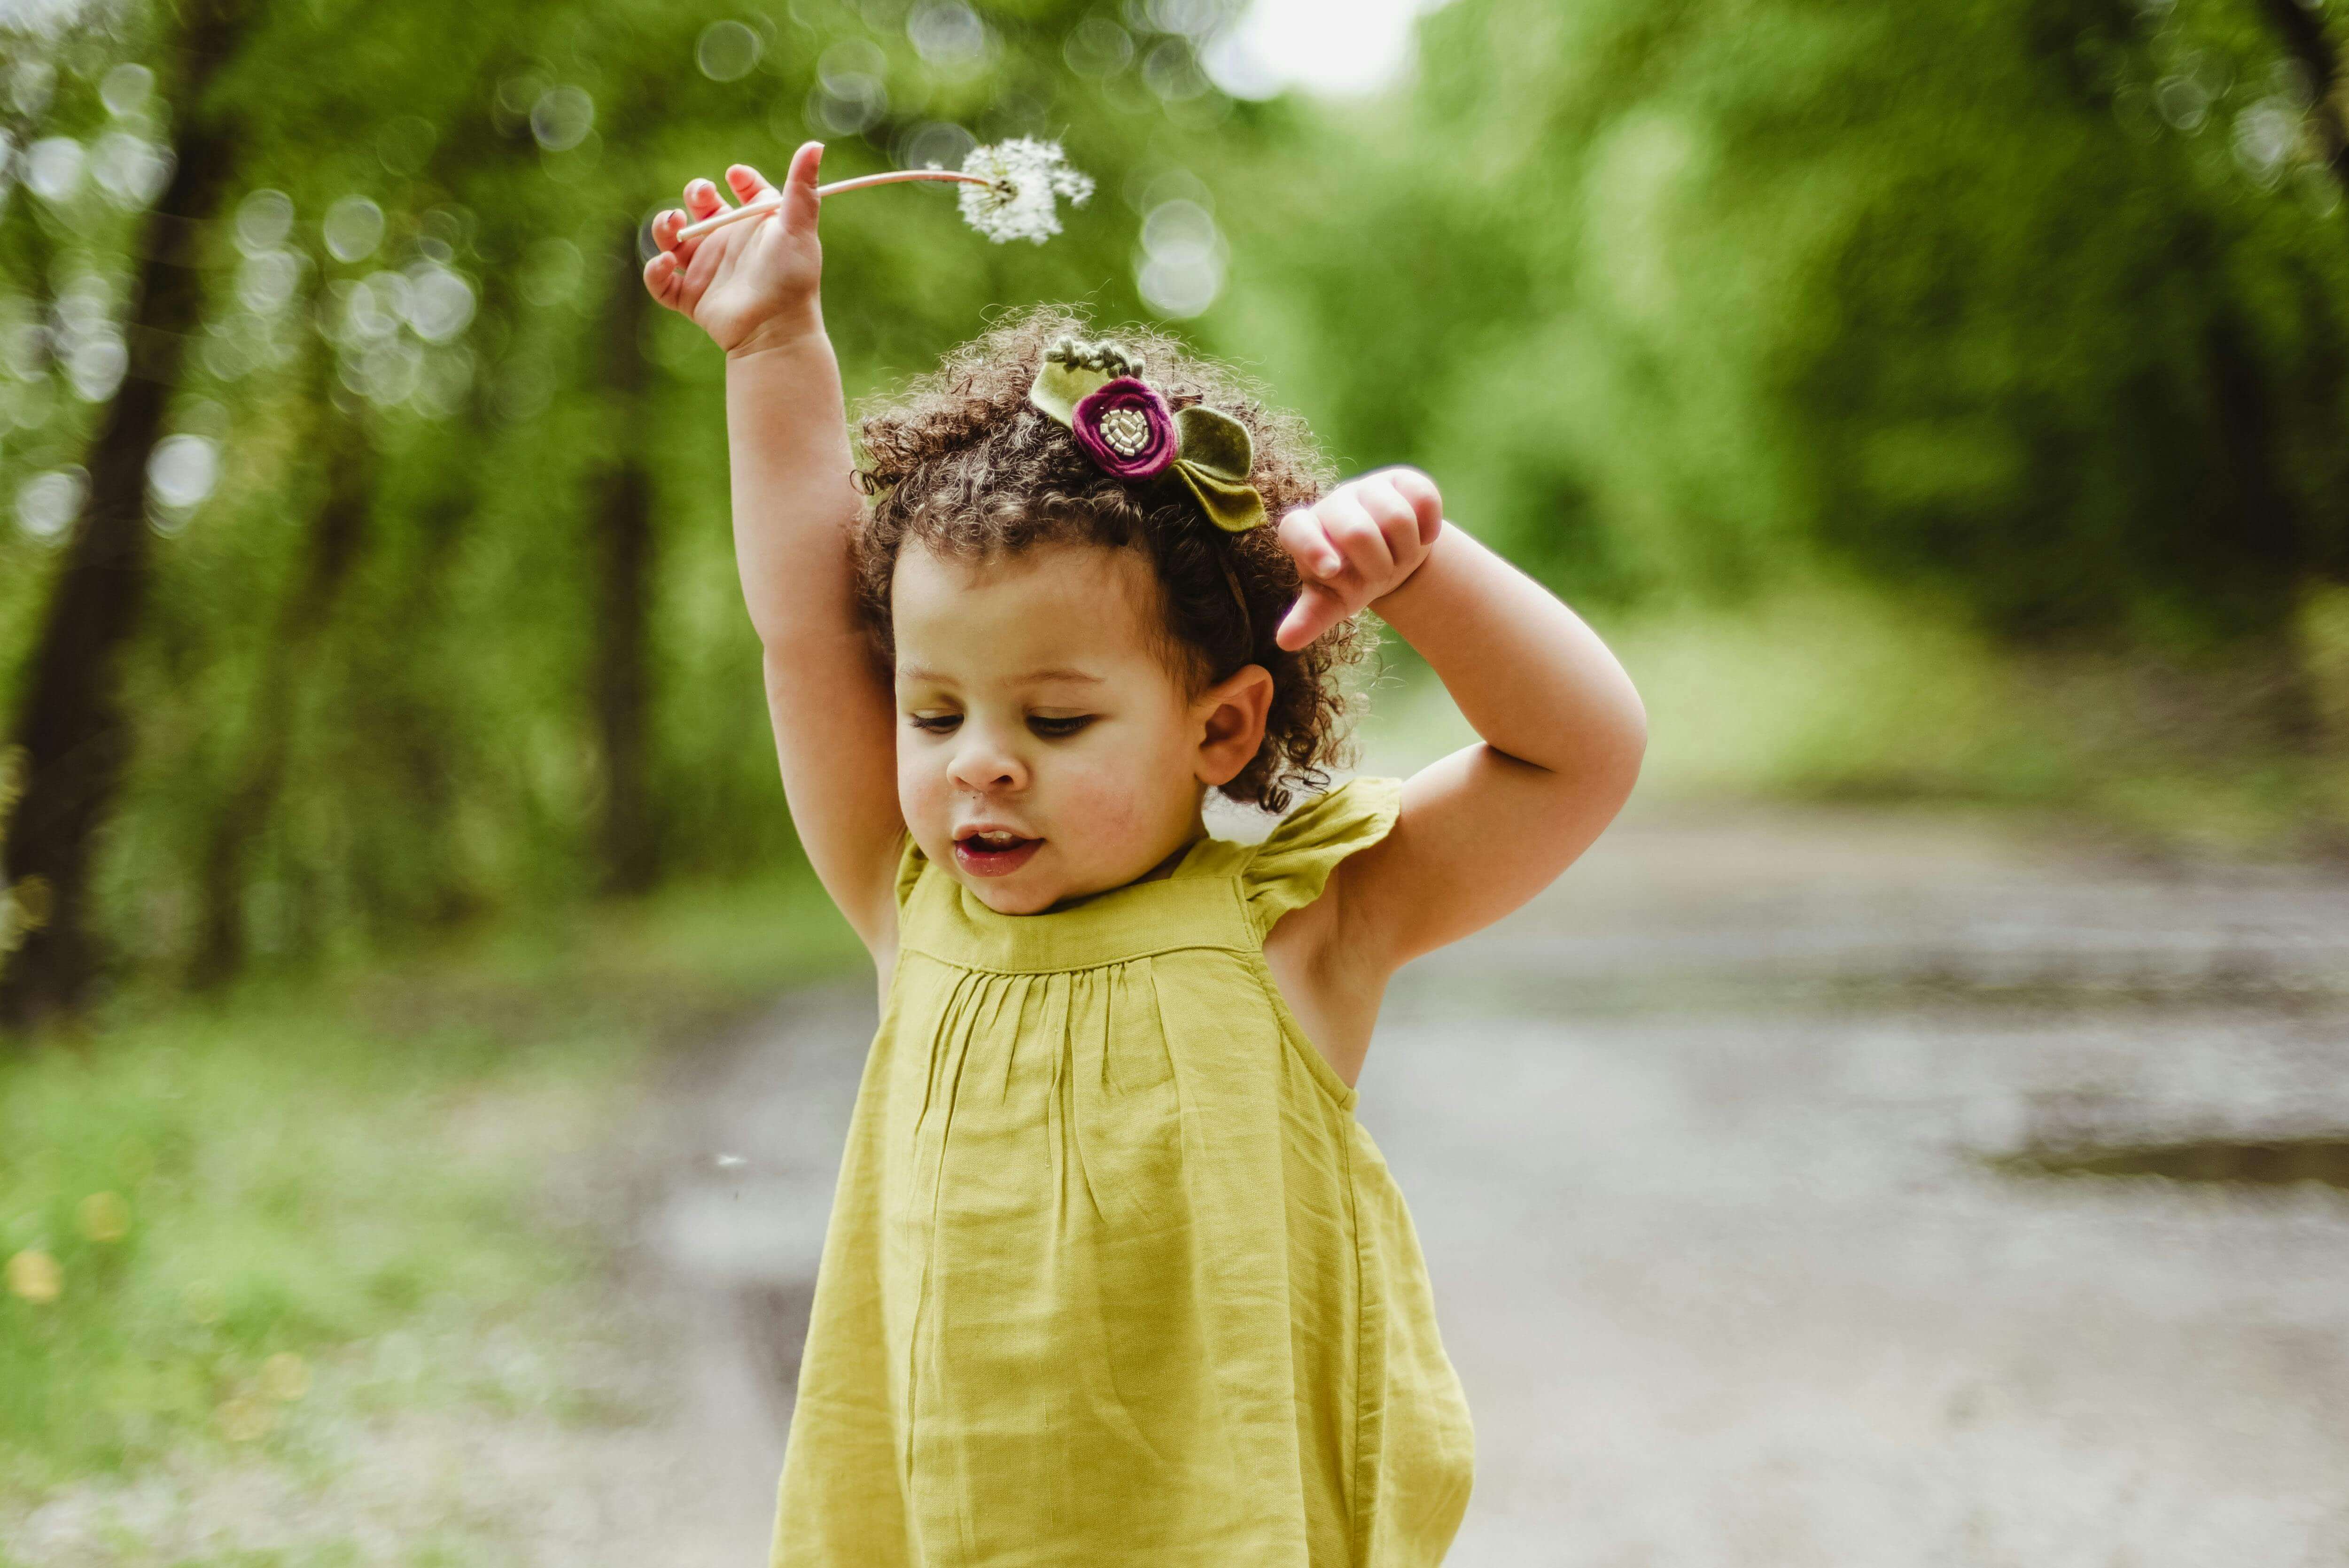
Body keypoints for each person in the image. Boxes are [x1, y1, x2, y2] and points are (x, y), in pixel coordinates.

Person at [643, 140, 1647, 1568]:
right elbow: (808, 619)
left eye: (1055, 717)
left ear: (1223, 726)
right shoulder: (909, 898)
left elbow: (1580, 755)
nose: (979, 757)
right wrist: (775, 343)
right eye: (933, 710)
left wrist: (1426, 575)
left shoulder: (1303, 925)